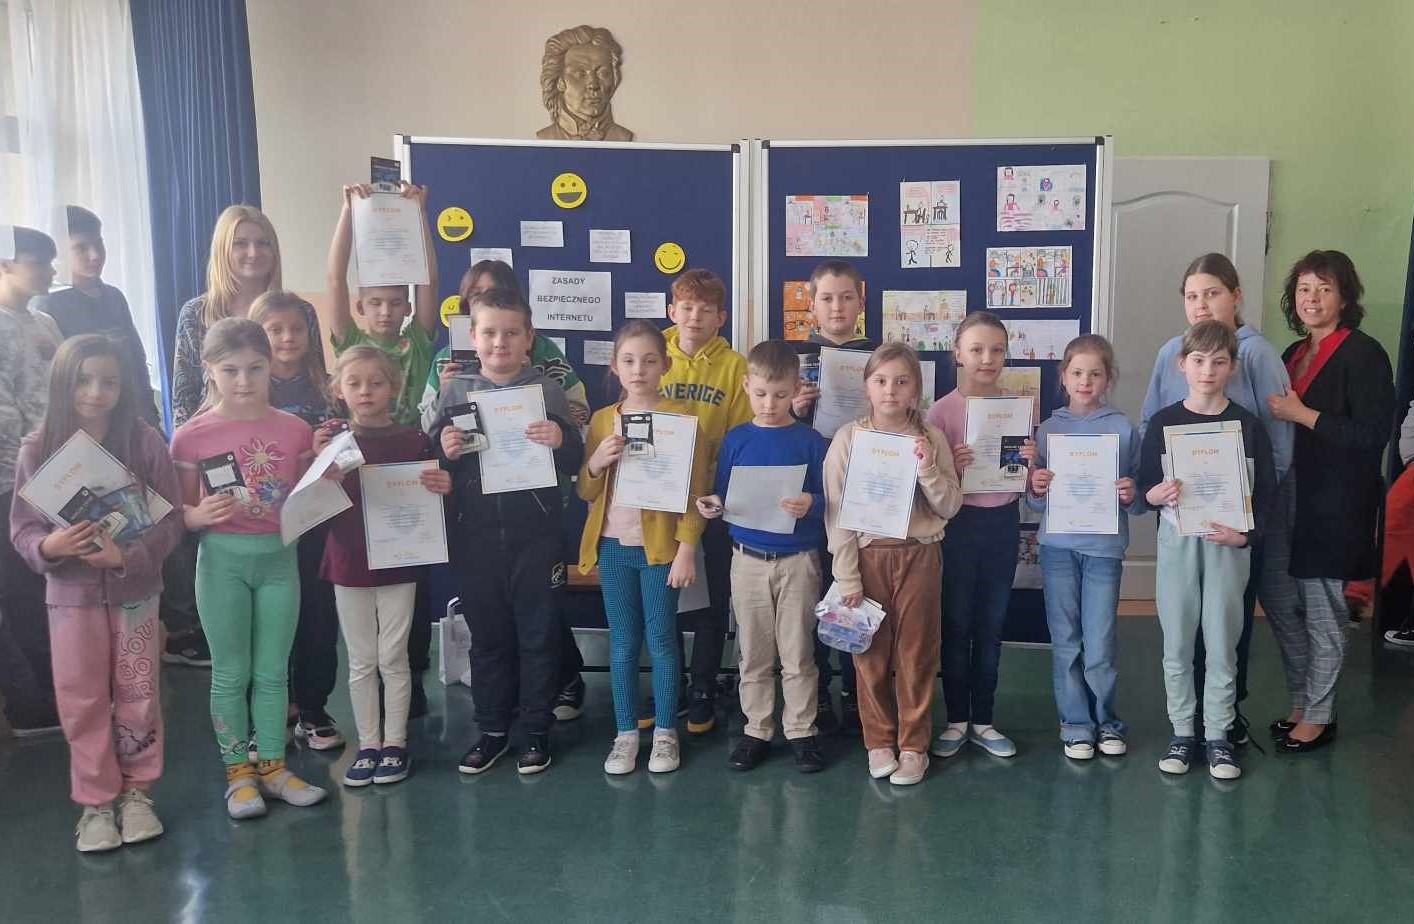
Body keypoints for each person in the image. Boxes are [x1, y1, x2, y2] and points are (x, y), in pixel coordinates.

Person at [9, 336, 182, 851]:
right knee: (81, 699)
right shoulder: (38, 448)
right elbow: (22, 530)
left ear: (125, 385)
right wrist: (51, 546)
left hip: (136, 593)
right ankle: (96, 802)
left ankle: (137, 793)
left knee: (139, 692)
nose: (95, 392)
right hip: (70, 599)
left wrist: (129, 557)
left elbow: (170, 520)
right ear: (62, 383)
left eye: (109, 381)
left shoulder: (144, 442)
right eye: (83, 380)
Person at [170, 318, 329, 818]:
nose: (244, 381)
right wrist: (197, 515)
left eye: (255, 368)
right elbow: (177, 512)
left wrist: (331, 467)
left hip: (280, 560)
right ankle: (238, 774)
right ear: (209, 370)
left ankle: (274, 767)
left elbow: (306, 498)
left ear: (271, 366)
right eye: (231, 370)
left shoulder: (294, 429)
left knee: (273, 670)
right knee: (231, 672)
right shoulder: (190, 437)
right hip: (222, 564)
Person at [421, 261, 591, 720]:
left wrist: (561, 441)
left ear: (529, 337)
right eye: (490, 333)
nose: (500, 342)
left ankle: (536, 729)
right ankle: (492, 727)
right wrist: (445, 451)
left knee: (538, 634)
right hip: (475, 534)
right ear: (473, 336)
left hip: (536, 531)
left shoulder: (547, 390)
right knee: (489, 636)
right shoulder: (454, 391)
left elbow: (573, 458)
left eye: (512, 333)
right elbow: (435, 461)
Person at [1139, 253, 1292, 744]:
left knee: (1226, 635)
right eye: (1192, 295)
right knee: (1179, 640)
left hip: (1231, 530)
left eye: (1212, 293)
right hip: (1180, 529)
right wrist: (1153, 494)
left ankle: (1222, 727)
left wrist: (1247, 526)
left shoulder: (1256, 362)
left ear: (1235, 295)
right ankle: (1185, 730)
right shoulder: (1168, 377)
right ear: (1184, 364)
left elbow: (1273, 459)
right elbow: (1149, 453)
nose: (1202, 304)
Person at [168, 205, 314, 668]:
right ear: (222, 251)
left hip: (285, 465)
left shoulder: (296, 309)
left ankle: (294, 697)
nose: (253, 252)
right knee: (232, 651)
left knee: (288, 628)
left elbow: (315, 381)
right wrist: (206, 444)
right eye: (241, 243)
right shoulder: (196, 313)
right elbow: (183, 395)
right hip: (219, 477)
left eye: (263, 242)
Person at [1264, 251, 1394, 752]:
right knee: (1280, 600)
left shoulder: (1363, 353)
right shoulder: (1292, 353)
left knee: (1323, 611)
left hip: (1335, 504)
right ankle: (1303, 701)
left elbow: (1373, 434)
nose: (1312, 298)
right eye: (1304, 289)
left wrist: (1305, 415)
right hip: (1287, 496)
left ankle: (1319, 715)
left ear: (1344, 297)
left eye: (1324, 288)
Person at [327, 180, 441, 718]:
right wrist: (347, 213)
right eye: (375, 302)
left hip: (408, 467)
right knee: (360, 590)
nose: (386, 312)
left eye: (396, 303)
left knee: (408, 593)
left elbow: (429, 279)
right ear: (360, 306)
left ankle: (408, 686)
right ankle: (374, 701)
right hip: (360, 469)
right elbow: (334, 276)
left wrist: (421, 215)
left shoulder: (416, 340)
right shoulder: (353, 345)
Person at [824, 343, 961, 784]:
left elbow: (950, 505)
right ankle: (879, 741)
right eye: (881, 381)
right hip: (868, 557)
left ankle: (914, 745)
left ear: (916, 389)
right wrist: (847, 575)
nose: (890, 390)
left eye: (902, 381)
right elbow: (837, 513)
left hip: (920, 554)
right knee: (870, 655)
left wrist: (928, 469)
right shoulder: (848, 439)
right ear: (866, 386)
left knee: (917, 654)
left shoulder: (930, 438)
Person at [579, 321, 709, 775]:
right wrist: (596, 462)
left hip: (660, 551)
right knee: (623, 642)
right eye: (629, 361)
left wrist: (686, 548)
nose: (639, 370)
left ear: (665, 365)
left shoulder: (683, 420)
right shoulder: (602, 420)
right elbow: (585, 490)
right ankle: (626, 733)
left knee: (662, 640)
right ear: (615, 367)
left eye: (650, 360)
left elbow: (696, 491)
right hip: (613, 547)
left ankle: (667, 733)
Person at [320, 346, 451, 787]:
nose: (366, 392)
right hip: (348, 560)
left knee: (394, 658)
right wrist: (321, 474)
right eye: (354, 383)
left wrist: (441, 484)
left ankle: (395, 743)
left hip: (399, 561)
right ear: (339, 390)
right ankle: (368, 744)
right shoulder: (332, 443)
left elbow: (429, 495)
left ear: (394, 388)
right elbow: (313, 505)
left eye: (376, 383)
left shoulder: (415, 440)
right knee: (360, 661)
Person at [698, 340, 830, 772]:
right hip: (748, 560)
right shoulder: (737, 439)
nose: (769, 404)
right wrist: (713, 504)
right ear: (746, 387)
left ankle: (802, 730)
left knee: (798, 651)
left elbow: (830, 498)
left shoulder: (811, 442)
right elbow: (724, 493)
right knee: (753, 652)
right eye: (760, 394)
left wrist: (811, 502)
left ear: (797, 389)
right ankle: (757, 728)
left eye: (779, 394)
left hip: (798, 561)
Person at [926, 311, 1036, 760]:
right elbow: (929, 485)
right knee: (955, 626)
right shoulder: (940, 412)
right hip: (958, 526)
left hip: (1002, 523)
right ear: (958, 354)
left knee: (991, 627)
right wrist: (950, 464)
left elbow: (1025, 481)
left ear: (1006, 355)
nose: (986, 358)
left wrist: (1029, 462)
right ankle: (956, 720)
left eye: (996, 350)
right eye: (976, 349)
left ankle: (984, 721)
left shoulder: (1019, 409)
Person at [1027, 335, 1143, 759]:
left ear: (1108, 378)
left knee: (1100, 643)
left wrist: (1131, 493)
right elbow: (1035, 502)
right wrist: (1037, 487)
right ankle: (1076, 724)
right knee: (1066, 640)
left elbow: (1139, 497)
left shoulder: (1123, 429)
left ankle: (1106, 722)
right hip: (1057, 548)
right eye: (1077, 372)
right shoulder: (1047, 429)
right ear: (1063, 377)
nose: (1085, 381)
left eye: (1095, 373)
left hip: (1103, 550)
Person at [654, 268, 753, 734]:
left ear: (721, 318)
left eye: (706, 310)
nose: (695, 317)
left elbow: (740, 439)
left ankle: (702, 689)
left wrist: (722, 493)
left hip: (711, 502)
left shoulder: (735, 367)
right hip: (658, 501)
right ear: (672, 311)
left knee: (711, 602)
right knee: (663, 599)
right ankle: (670, 685)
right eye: (687, 307)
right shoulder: (654, 355)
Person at [249, 291, 343, 751]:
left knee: (317, 616)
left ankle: (313, 707)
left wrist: (331, 450)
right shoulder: (246, 390)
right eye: (275, 330)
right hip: (260, 526)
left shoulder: (329, 390)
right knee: (266, 620)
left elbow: (345, 449)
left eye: (297, 329)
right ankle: (267, 712)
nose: (288, 338)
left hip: (316, 523)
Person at [788, 260, 877, 734]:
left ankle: (857, 691)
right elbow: (772, 421)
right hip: (808, 493)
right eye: (827, 298)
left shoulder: (878, 356)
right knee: (813, 591)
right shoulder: (795, 357)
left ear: (860, 302)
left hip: (863, 492)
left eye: (846, 297)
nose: (837, 307)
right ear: (812, 303)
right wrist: (795, 409)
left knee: (856, 588)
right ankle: (818, 691)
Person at [0, 226, 64, 736]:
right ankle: (33, 703)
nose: (49, 271)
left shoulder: (44, 322)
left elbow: (67, 388)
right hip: (13, 480)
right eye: (37, 262)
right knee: (22, 591)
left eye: (49, 262)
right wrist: (27, 474)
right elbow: (5, 413)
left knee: (55, 586)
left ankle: (62, 688)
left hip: (60, 473)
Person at [421, 260, 590, 429]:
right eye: (476, 295)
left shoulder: (544, 350)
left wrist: (532, 385)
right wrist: (443, 395)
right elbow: (426, 426)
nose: (486, 300)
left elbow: (580, 413)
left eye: (494, 292)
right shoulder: (445, 359)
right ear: (466, 302)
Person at [31, 206, 159, 425]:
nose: (95, 255)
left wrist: (150, 414)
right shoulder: (48, 304)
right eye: (81, 248)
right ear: (58, 253)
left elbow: (136, 360)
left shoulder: (114, 296)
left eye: (98, 244)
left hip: (135, 416)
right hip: (88, 421)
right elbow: (56, 378)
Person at [536, 25, 634, 141]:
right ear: (560, 81)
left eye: (603, 73)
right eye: (580, 74)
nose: (593, 85)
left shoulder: (622, 137)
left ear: (614, 80)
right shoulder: (546, 137)